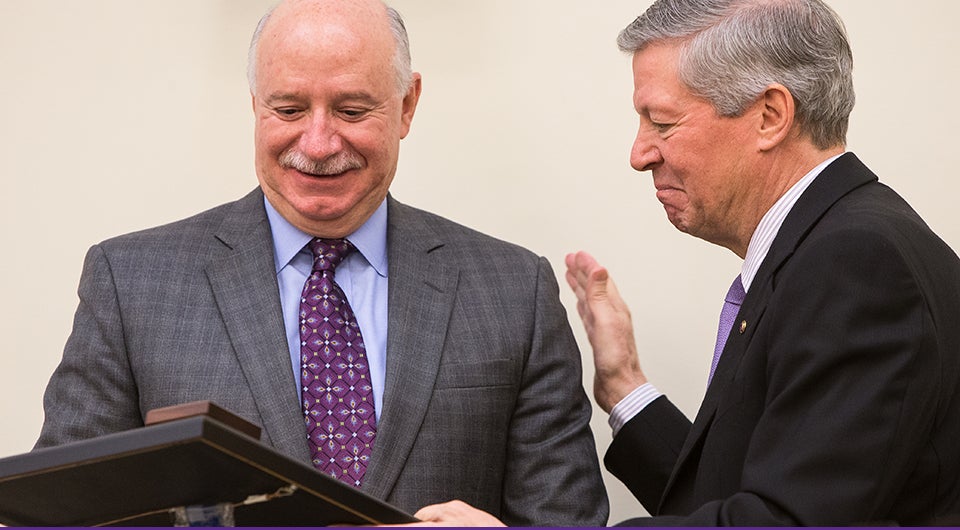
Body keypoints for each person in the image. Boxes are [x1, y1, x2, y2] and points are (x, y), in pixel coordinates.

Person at [33, 0, 608, 525]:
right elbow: (61, 512)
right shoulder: (131, 282)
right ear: (254, 106)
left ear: (407, 105)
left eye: (353, 109)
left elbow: (566, 520)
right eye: (288, 108)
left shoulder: (514, 292)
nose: (318, 141)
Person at [404, 0, 960, 526]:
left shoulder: (855, 263)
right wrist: (624, 386)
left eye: (662, 122)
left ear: (770, 116)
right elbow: (741, 498)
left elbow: (784, 522)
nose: (639, 152)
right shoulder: (826, 244)